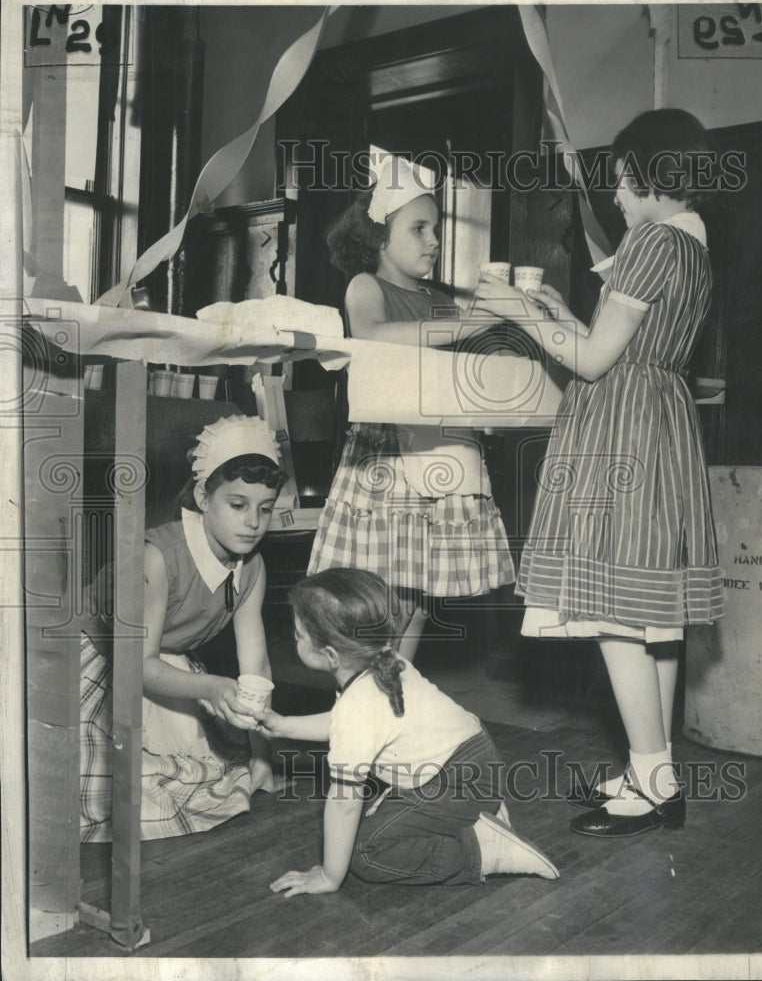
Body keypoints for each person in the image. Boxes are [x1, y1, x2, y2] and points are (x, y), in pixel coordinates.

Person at [473, 109, 725, 837]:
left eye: (620, 179)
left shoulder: (649, 240)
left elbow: (589, 361)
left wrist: (519, 312)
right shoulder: (693, 247)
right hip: (662, 420)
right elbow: (621, 343)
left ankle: (651, 784)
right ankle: (658, 769)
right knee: (655, 613)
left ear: (652, 176)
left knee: (611, 608)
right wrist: (557, 308)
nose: (615, 195)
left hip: (622, 427)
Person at [307, 154, 515, 662]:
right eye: (418, 228)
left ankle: (395, 681)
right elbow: (376, 337)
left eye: (437, 229)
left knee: (419, 594)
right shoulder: (366, 287)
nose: (434, 241)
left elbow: (465, 365)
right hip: (387, 456)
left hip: (440, 448)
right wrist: (463, 325)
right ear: (379, 237)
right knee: (382, 589)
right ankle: (361, 692)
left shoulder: (440, 301)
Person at [259, 568, 559, 895]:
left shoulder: (357, 706)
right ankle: (476, 813)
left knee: (366, 855)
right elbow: (342, 724)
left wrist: (330, 876)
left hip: (456, 780)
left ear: (330, 655)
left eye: (299, 635)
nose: (294, 638)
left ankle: (483, 850)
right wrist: (284, 724)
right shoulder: (385, 660)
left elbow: (344, 801)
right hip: (475, 762)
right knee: (373, 819)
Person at [79, 414, 287, 841]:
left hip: (163, 661)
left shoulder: (253, 567)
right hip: (98, 657)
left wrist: (262, 758)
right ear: (203, 497)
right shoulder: (157, 558)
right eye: (238, 505)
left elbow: (256, 665)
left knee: (211, 773)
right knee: (107, 786)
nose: (253, 522)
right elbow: (137, 664)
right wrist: (210, 687)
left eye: (265, 509)